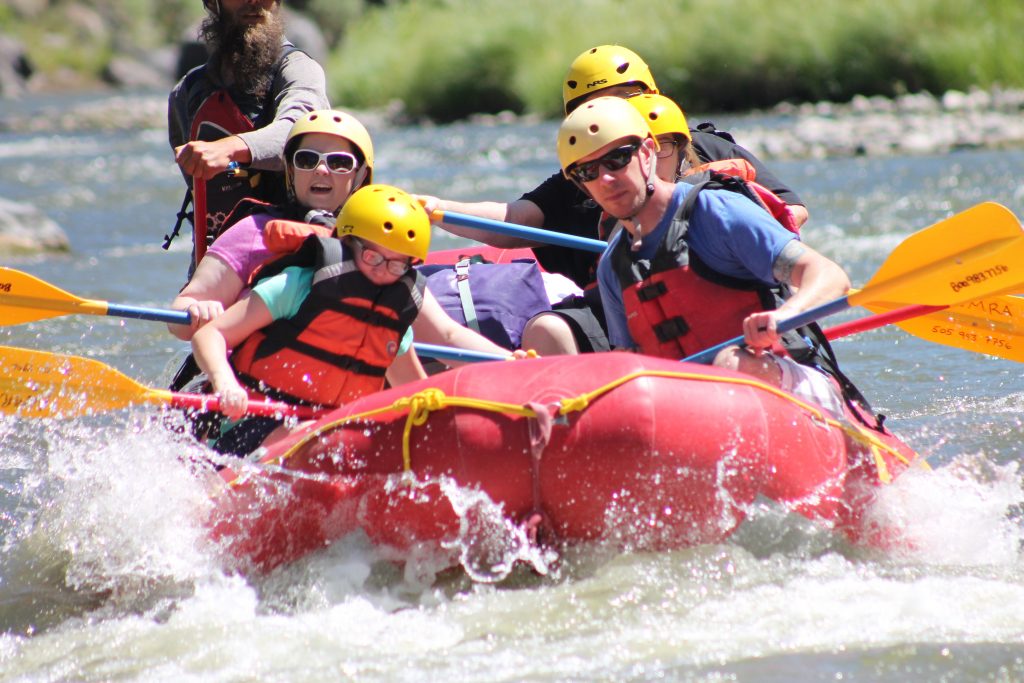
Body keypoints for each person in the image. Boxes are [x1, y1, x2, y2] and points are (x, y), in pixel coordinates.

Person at [418, 44, 809, 356]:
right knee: (549, 329)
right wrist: (437, 209)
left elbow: (789, 210)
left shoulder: (703, 155)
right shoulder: (583, 180)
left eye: (623, 100)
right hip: (626, 299)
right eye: (598, 106)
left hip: (721, 281)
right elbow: (514, 219)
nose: (605, 175)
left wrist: (723, 228)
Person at [559, 96, 850, 415]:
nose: (606, 179)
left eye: (616, 159)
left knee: (730, 363)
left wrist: (784, 316)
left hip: (789, 386)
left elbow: (829, 276)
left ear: (645, 154)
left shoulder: (715, 212)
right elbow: (627, 369)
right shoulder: (614, 266)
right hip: (698, 414)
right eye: (588, 171)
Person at [191, 184, 529, 456]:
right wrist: (224, 383)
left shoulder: (392, 316)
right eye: (373, 257)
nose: (384, 273)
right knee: (292, 438)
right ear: (346, 243)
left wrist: (503, 365)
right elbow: (210, 336)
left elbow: (417, 393)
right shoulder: (296, 285)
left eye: (398, 265)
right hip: (252, 422)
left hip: (330, 437)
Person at [169, 108, 372, 342]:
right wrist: (194, 310)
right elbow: (179, 316)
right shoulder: (253, 231)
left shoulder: (377, 242)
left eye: (339, 162)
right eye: (306, 159)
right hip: (250, 375)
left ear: (359, 176)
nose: (321, 170)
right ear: (291, 170)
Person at [167, 0, 330, 274]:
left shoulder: (299, 70)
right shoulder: (187, 92)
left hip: (292, 269)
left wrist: (230, 149)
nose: (255, 2)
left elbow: (301, 132)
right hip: (216, 268)